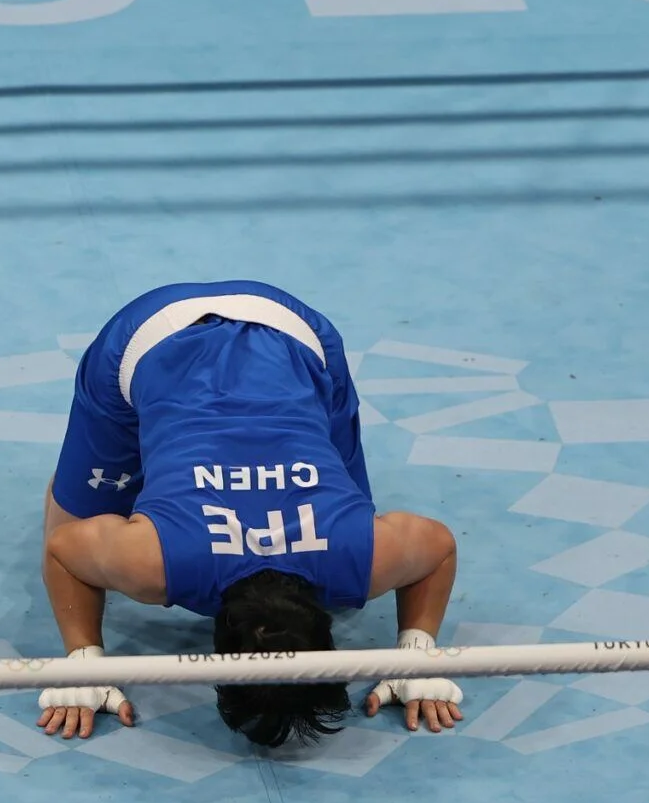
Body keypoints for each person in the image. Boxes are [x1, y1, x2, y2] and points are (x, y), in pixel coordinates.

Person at [35, 282, 463, 748]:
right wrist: (83, 660)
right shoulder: (154, 564)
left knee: (351, 507)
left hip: (292, 333)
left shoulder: (359, 556)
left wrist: (418, 656)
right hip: (155, 338)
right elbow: (62, 551)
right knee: (69, 526)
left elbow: (437, 548)